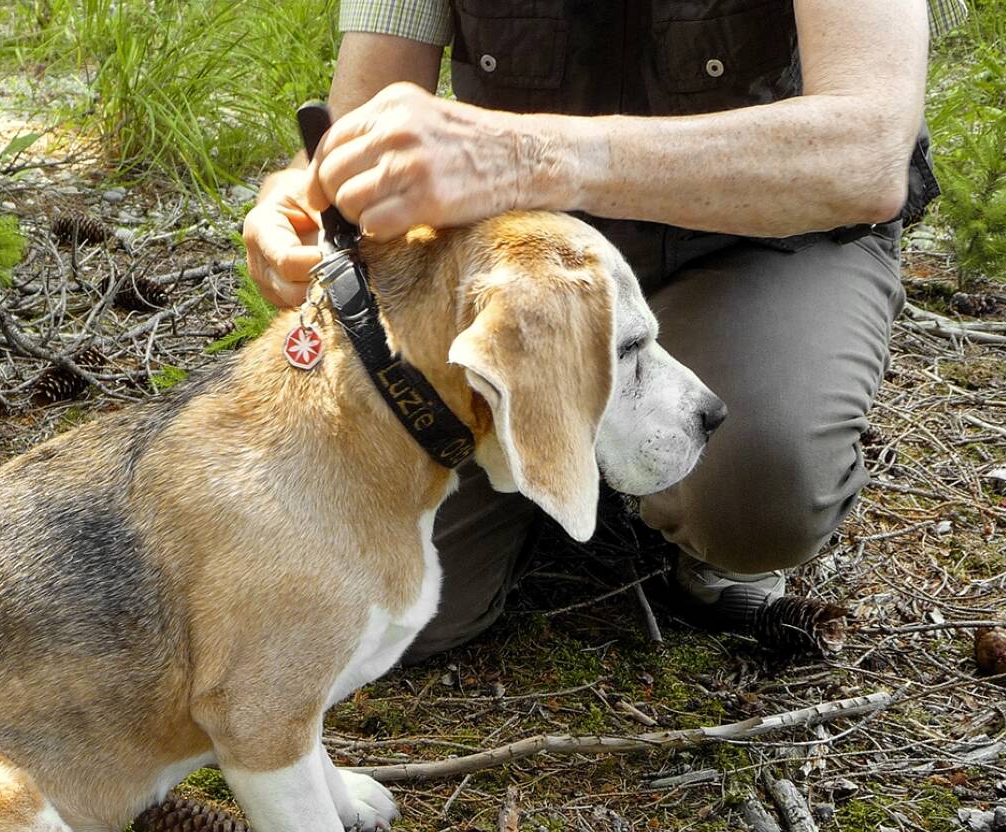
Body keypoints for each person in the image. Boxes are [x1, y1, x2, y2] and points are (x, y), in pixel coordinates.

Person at [242, 0, 968, 661]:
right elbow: (357, 115)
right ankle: (546, 453)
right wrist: (300, 197)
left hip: (758, 245)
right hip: (528, 273)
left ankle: (669, 511)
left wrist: (533, 155)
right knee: (378, 613)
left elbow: (865, 151)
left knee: (757, 487)